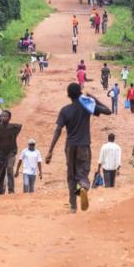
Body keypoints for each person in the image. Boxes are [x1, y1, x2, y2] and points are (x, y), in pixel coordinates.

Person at [46, 83, 112, 213]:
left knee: (71, 176)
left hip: (70, 147)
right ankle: (83, 187)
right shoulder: (87, 107)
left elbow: (58, 130)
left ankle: (73, 206)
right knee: (82, 172)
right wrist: (93, 98)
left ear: (68, 95)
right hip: (83, 146)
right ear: (80, 93)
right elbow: (108, 111)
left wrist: (50, 151)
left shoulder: (65, 110)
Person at [0, 110, 23, 195]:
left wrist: (10, 126)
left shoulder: (13, 127)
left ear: (9, 118)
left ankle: (11, 190)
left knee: (10, 169)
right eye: (2, 116)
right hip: (0, 153)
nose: (3, 118)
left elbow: (20, 126)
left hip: (11, 152)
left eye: (5, 116)